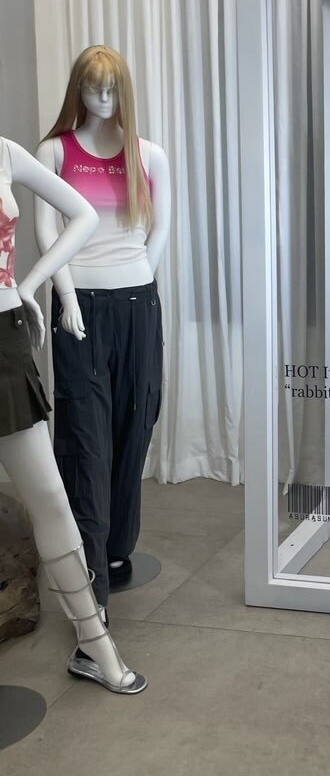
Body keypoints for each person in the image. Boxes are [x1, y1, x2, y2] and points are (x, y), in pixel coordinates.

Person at [0, 134, 145, 692]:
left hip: (4, 338)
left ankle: (95, 644)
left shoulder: (6, 153)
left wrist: (32, 285)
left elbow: (83, 214)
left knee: (52, 499)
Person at [35, 46, 170, 610]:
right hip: (80, 307)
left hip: (138, 303)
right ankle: (91, 573)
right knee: (85, 438)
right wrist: (66, 294)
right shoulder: (54, 152)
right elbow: (46, 231)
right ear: (78, 90)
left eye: (112, 89)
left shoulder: (148, 155)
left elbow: (161, 228)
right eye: (93, 88)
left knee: (134, 426)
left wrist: (140, 282)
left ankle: (116, 546)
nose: (103, 99)